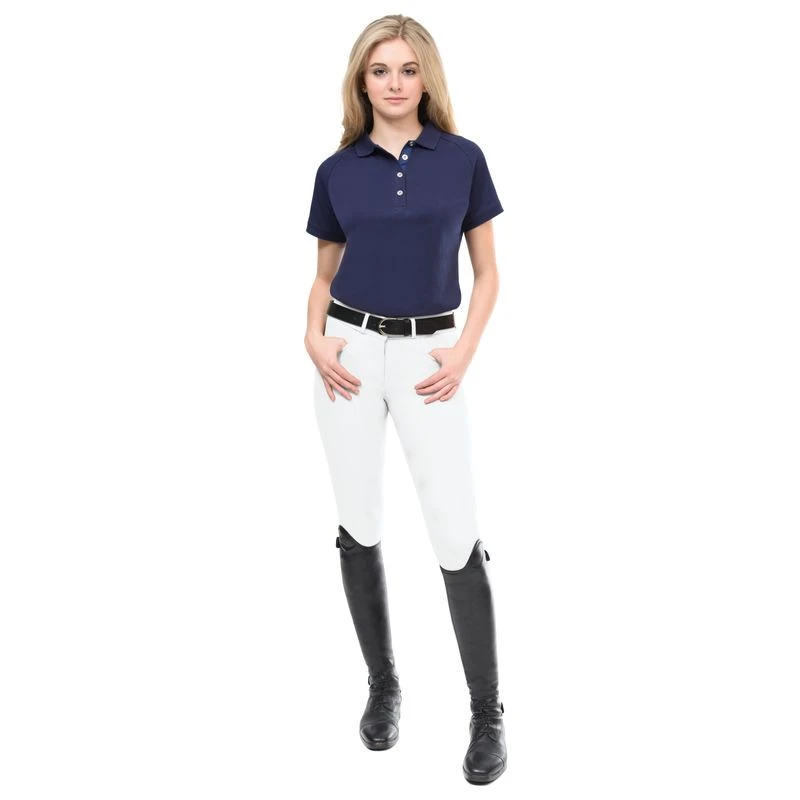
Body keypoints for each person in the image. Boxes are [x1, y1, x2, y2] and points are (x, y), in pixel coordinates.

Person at [303, 14, 507, 785]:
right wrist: (313, 336)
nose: (395, 82)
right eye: (380, 70)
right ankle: (384, 686)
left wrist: (463, 352)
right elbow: (324, 275)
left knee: (455, 531)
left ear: (427, 78)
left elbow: (487, 272)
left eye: (408, 69)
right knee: (358, 523)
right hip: (348, 356)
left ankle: (486, 713)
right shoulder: (337, 169)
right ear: (362, 81)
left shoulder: (462, 160)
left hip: (431, 356)